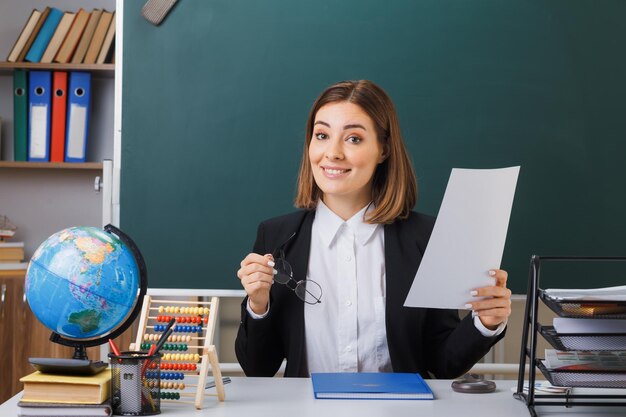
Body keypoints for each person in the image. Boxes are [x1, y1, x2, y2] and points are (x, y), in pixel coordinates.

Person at [235, 80, 511, 378]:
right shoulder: (276, 237)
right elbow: (258, 367)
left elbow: (442, 363)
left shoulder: (427, 238)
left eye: (353, 138)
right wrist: (258, 304)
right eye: (322, 135)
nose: (333, 153)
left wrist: (486, 322)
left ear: (384, 150)